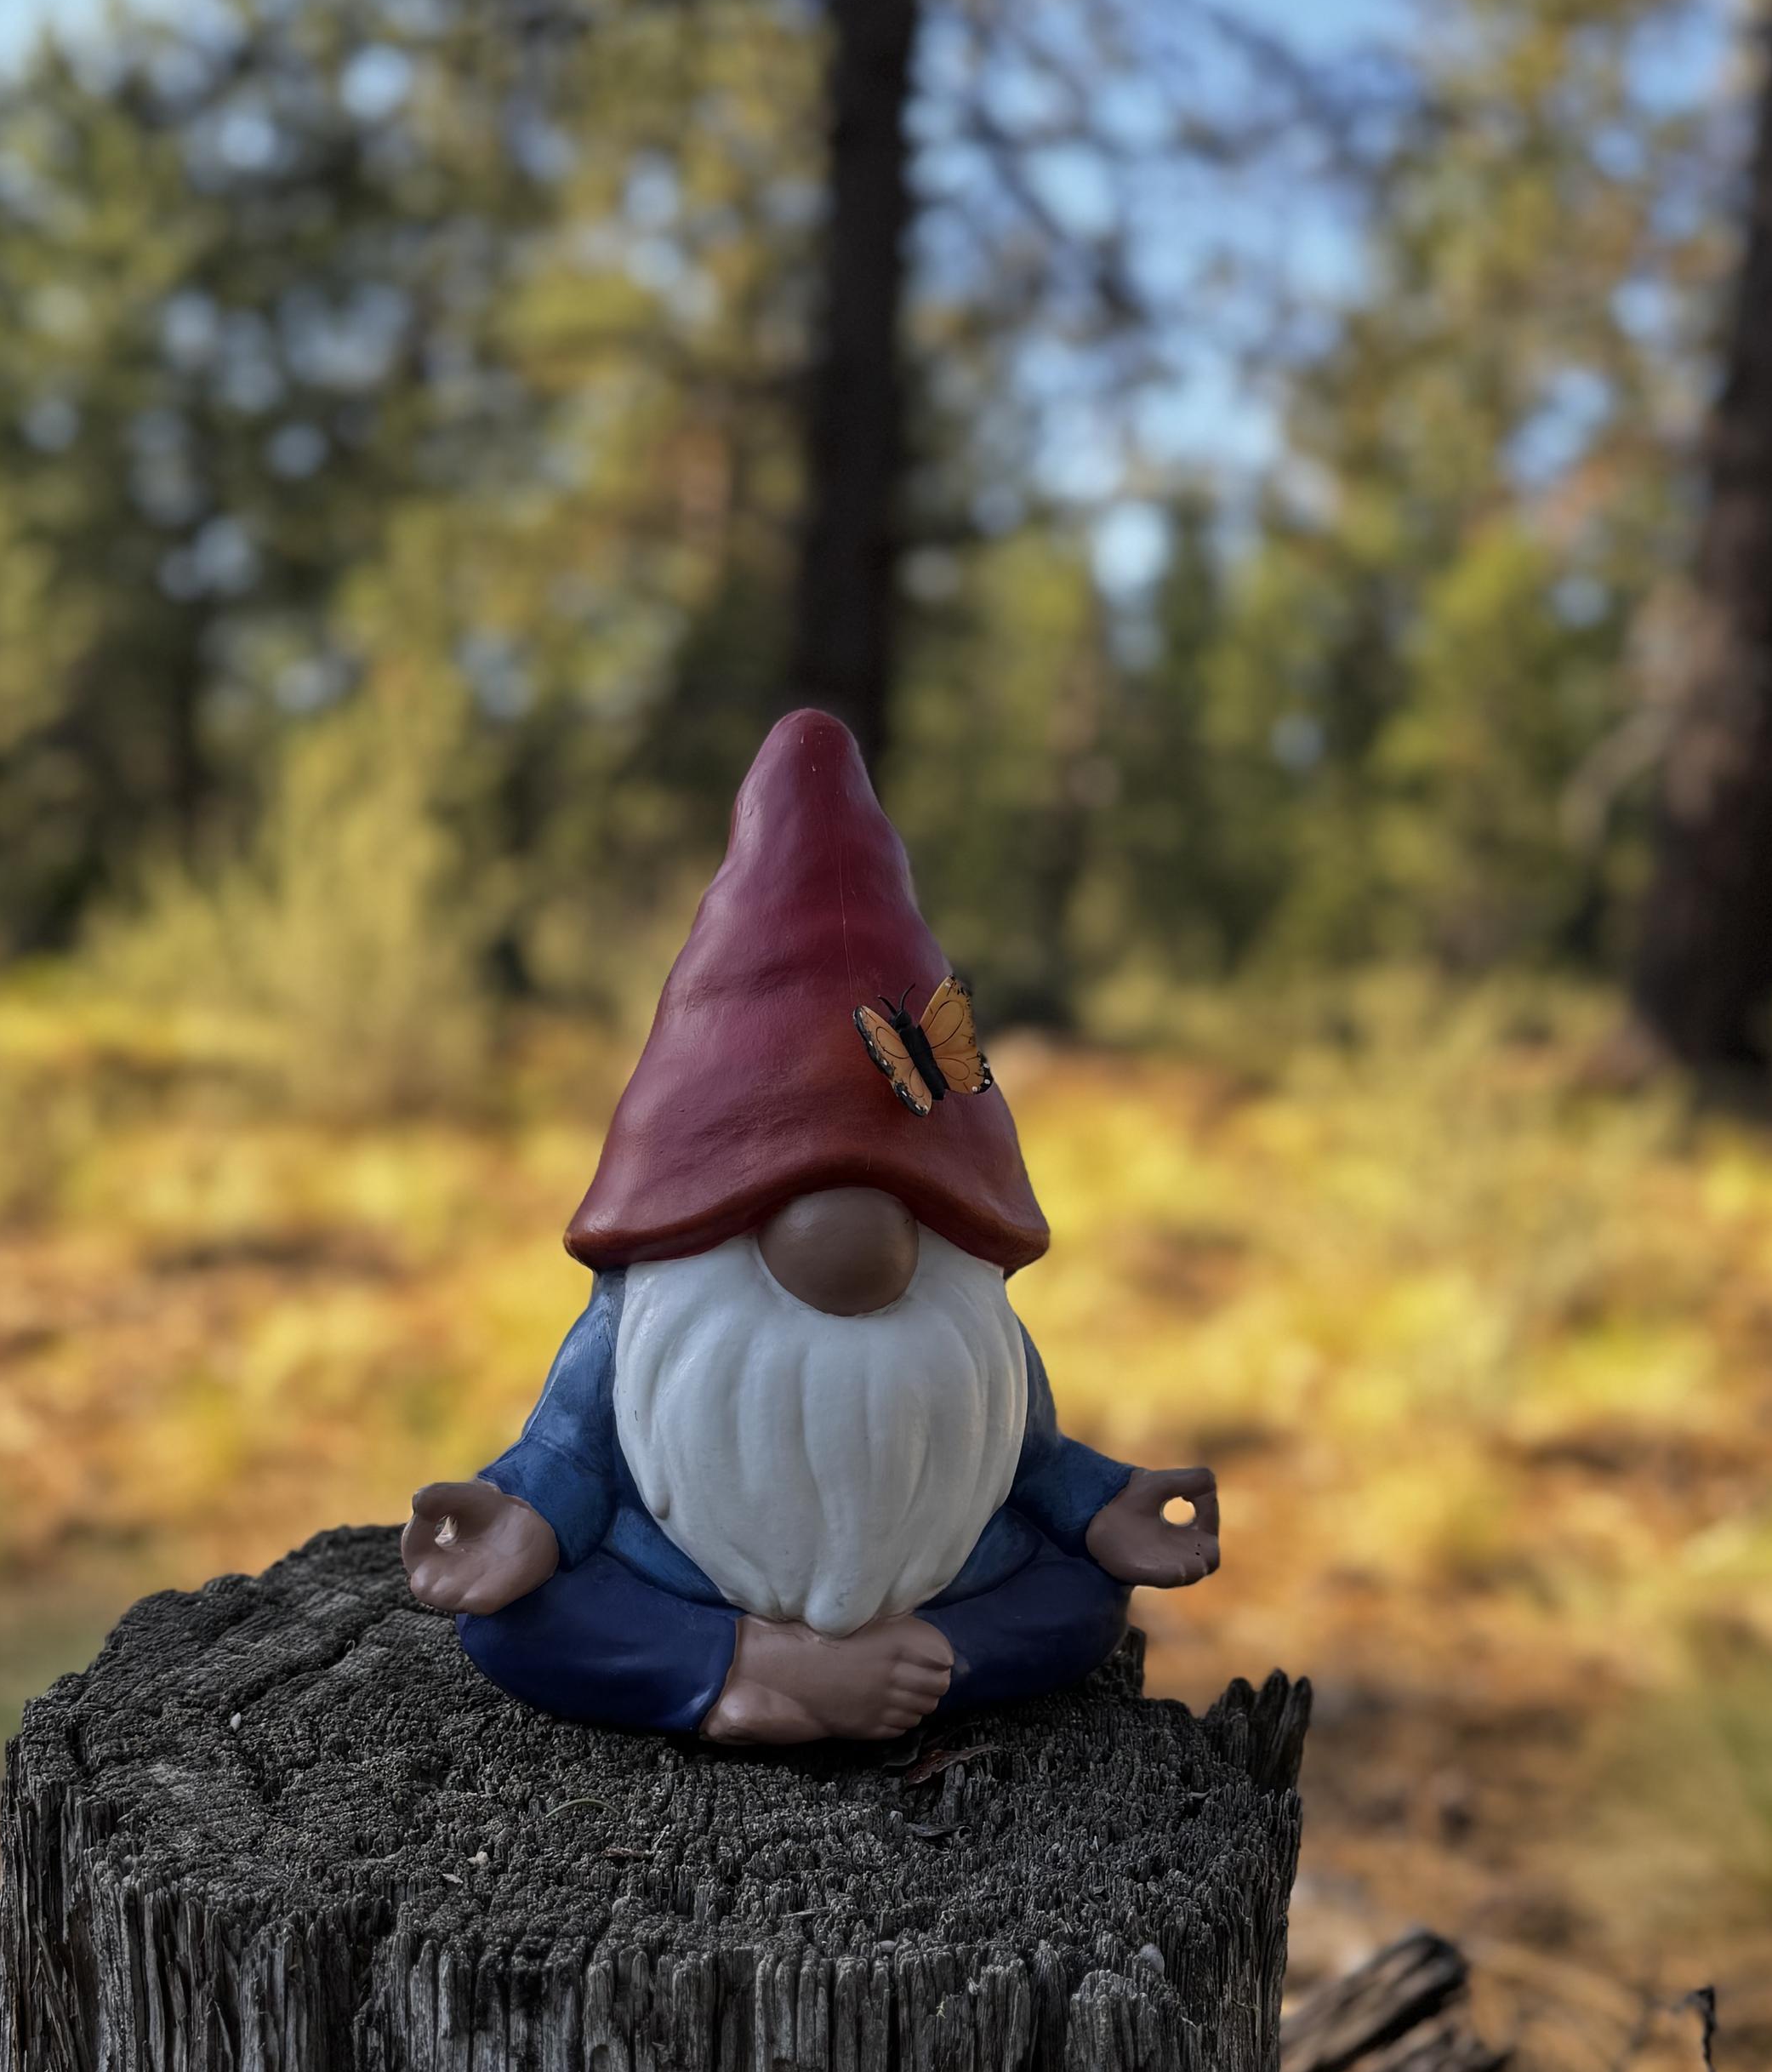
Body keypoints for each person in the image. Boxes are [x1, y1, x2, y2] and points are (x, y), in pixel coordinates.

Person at [403, 709, 1218, 1744]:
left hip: (944, 1576)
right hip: (679, 1576)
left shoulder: (964, 1317)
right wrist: (515, 1521)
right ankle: (745, 1666)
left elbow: (1031, 1454)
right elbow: (571, 1450)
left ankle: (914, 1665)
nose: (859, 1248)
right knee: (514, 1625)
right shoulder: (658, 1309)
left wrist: (1111, 1505)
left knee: (1084, 1597)